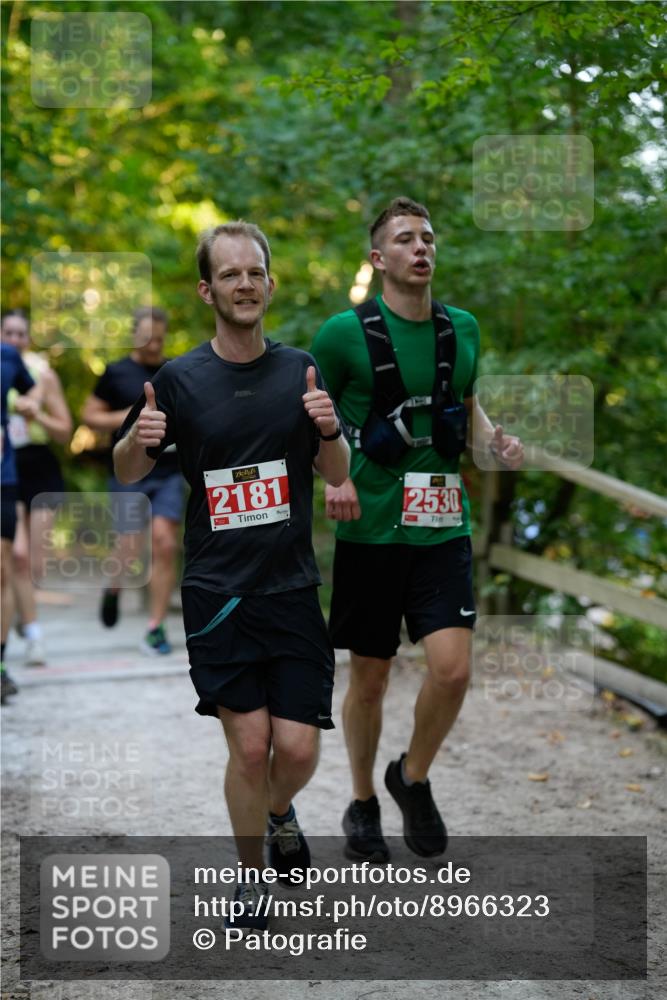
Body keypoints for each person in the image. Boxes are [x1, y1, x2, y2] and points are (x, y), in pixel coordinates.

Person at [113, 221, 349, 928]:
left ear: (269, 284)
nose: (244, 284)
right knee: (249, 745)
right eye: (230, 274)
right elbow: (126, 470)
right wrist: (138, 439)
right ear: (206, 288)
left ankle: (280, 810)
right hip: (218, 592)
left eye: (255, 273)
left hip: (292, 586)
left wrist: (331, 431)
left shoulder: (300, 369)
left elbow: (336, 473)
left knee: (298, 747)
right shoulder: (178, 381)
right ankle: (249, 878)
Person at [312, 197, 524, 862]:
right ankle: (361, 802)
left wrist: (492, 442)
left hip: (441, 528)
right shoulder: (342, 334)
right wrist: (333, 477)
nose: (420, 247)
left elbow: (462, 402)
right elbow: (313, 415)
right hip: (369, 532)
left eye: (427, 237)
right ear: (378, 258)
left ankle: (410, 777)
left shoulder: (462, 327)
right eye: (404, 239)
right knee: (369, 679)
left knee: (452, 671)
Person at [82, 307, 184, 655]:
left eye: (159, 337)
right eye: (148, 338)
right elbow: (89, 415)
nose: (155, 344)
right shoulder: (116, 372)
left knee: (165, 543)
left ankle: (155, 629)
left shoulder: (174, 371)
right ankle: (114, 586)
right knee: (128, 545)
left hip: (168, 471)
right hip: (127, 471)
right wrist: (130, 418)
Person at [1, 309, 72, 667]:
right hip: (8, 469)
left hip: (41, 468)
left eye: (21, 334)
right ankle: (32, 635)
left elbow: (64, 431)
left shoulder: (43, 376)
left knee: (36, 565)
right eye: (8, 333)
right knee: (17, 556)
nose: (14, 339)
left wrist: (37, 414)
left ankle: (16, 607)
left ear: (28, 338)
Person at [1, 338, 36, 703]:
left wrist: (31, 404)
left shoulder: (8, 356)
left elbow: (33, 390)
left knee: (1, 567)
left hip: (3, 478)